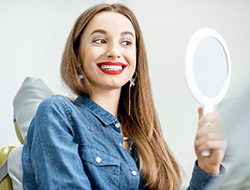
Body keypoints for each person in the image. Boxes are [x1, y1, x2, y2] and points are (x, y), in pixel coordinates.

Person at [22, 3, 226, 190]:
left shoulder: (146, 138)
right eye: (100, 40)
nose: (114, 51)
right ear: (77, 55)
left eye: (126, 42)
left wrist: (207, 169)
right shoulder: (57, 113)